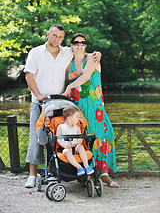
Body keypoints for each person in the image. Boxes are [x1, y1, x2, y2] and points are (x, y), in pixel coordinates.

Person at [24, 25, 101, 188]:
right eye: (54, 35)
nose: (57, 39)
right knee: (36, 138)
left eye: (60, 37)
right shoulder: (36, 53)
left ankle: (65, 169)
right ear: (47, 34)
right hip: (40, 102)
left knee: (60, 138)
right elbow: (29, 75)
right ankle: (32, 175)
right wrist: (38, 95)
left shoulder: (67, 52)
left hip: (61, 103)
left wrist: (97, 54)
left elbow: (82, 51)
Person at [63, 33, 119, 187]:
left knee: (101, 136)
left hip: (95, 106)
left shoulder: (93, 58)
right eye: (76, 42)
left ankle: (104, 174)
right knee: (83, 139)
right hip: (78, 107)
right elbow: (66, 80)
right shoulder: (69, 64)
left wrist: (69, 86)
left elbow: (86, 77)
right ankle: (88, 171)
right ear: (72, 45)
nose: (79, 45)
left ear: (85, 45)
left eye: (82, 42)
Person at [56, 105, 94, 176]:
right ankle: (79, 167)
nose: (78, 119)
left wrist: (74, 143)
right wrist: (65, 145)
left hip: (75, 147)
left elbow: (80, 140)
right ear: (70, 118)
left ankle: (86, 166)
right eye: (77, 117)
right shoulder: (60, 127)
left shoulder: (77, 128)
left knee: (80, 147)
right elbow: (59, 140)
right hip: (66, 148)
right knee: (67, 151)